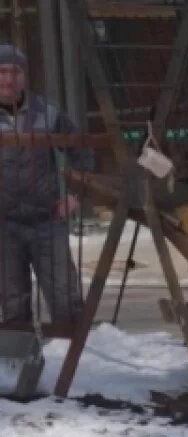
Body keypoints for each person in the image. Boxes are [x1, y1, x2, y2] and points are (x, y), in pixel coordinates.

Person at [0, 43, 93, 326]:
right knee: (13, 304)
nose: (8, 79)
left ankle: (77, 362)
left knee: (66, 301)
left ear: (25, 76)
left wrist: (75, 195)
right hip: (4, 227)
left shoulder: (47, 112)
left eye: (15, 71)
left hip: (47, 222)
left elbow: (82, 152)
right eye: (1, 71)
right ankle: (21, 364)